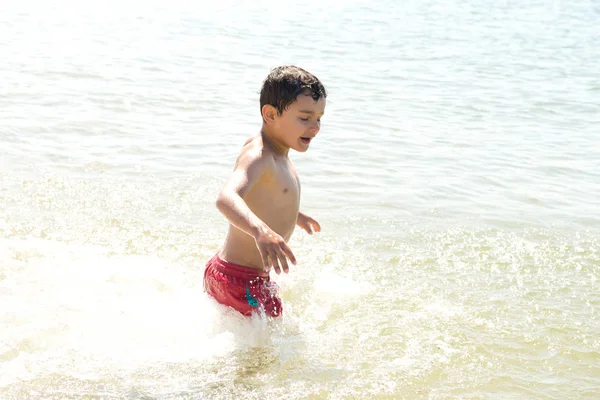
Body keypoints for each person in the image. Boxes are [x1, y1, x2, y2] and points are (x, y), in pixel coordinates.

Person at [203, 65, 327, 318]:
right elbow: (226, 198)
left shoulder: (278, 153)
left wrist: (293, 213)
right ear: (270, 114)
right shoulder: (259, 155)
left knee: (268, 343)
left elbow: (261, 195)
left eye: (319, 118)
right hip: (239, 280)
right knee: (265, 353)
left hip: (242, 276)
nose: (314, 127)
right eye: (304, 118)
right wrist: (260, 230)